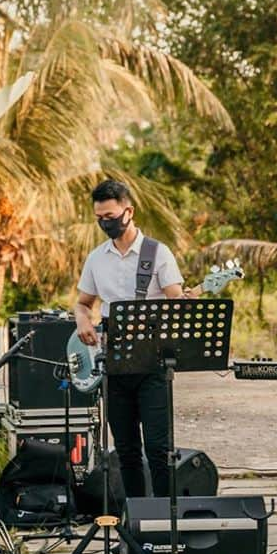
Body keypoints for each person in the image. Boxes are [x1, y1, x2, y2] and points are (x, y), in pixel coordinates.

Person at [74, 179, 185, 499]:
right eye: (99, 219)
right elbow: (83, 303)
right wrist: (83, 321)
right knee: (125, 451)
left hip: (152, 362)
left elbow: (175, 300)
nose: (105, 223)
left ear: (128, 211)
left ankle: (165, 522)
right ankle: (135, 521)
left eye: (110, 216)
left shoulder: (157, 252)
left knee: (159, 449)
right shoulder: (96, 258)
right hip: (114, 363)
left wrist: (182, 300)